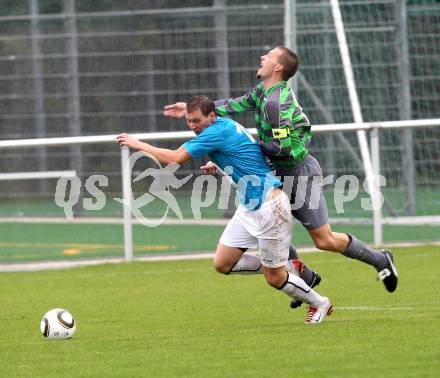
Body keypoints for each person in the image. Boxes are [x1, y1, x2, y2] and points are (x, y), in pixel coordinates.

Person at [163, 46, 398, 300]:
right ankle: (302, 277)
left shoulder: (276, 103)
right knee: (270, 224)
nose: (263, 57)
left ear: (278, 68)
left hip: (298, 174)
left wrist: (242, 152)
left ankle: (380, 259)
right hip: (276, 171)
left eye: (270, 56)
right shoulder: (263, 92)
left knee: (324, 240)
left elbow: (283, 148)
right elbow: (233, 105)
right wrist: (193, 109)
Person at [117, 95, 333, 324]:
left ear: (212, 116)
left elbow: (174, 158)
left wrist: (137, 144)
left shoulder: (214, 132)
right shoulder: (224, 125)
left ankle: (319, 302)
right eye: (189, 120)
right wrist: (220, 164)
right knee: (223, 263)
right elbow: (245, 152)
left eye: (196, 120)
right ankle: (288, 267)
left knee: (274, 277)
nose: (192, 125)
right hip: (249, 206)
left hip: (269, 206)